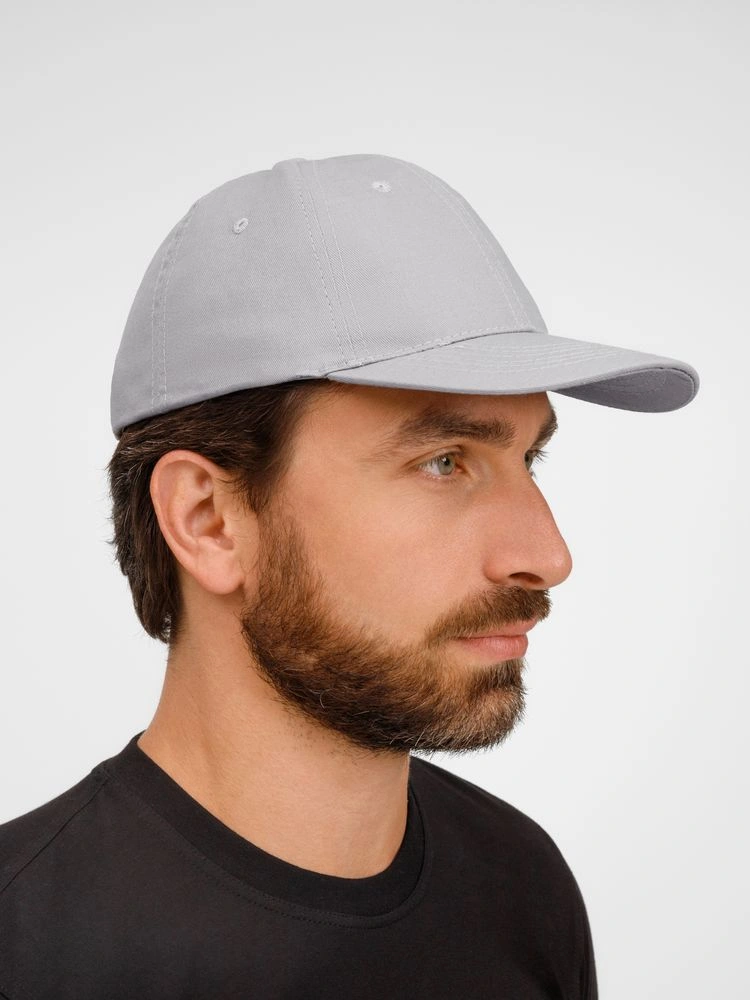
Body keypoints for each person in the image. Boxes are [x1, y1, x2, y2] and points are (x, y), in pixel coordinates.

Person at [0, 153, 700, 999]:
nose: (550, 556)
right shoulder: (26, 947)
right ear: (208, 520)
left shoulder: (522, 888)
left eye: (529, 458)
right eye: (445, 461)